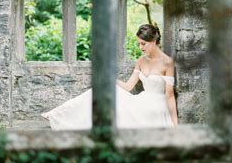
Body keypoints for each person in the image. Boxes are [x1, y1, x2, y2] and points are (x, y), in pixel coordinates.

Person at [41, 24, 178, 130]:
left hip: (156, 105)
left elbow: (170, 95)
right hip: (140, 99)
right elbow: (128, 86)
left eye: (143, 44)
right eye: (138, 43)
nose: (140, 47)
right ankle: (59, 114)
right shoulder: (141, 61)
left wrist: (175, 124)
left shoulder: (167, 62)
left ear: (154, 40)